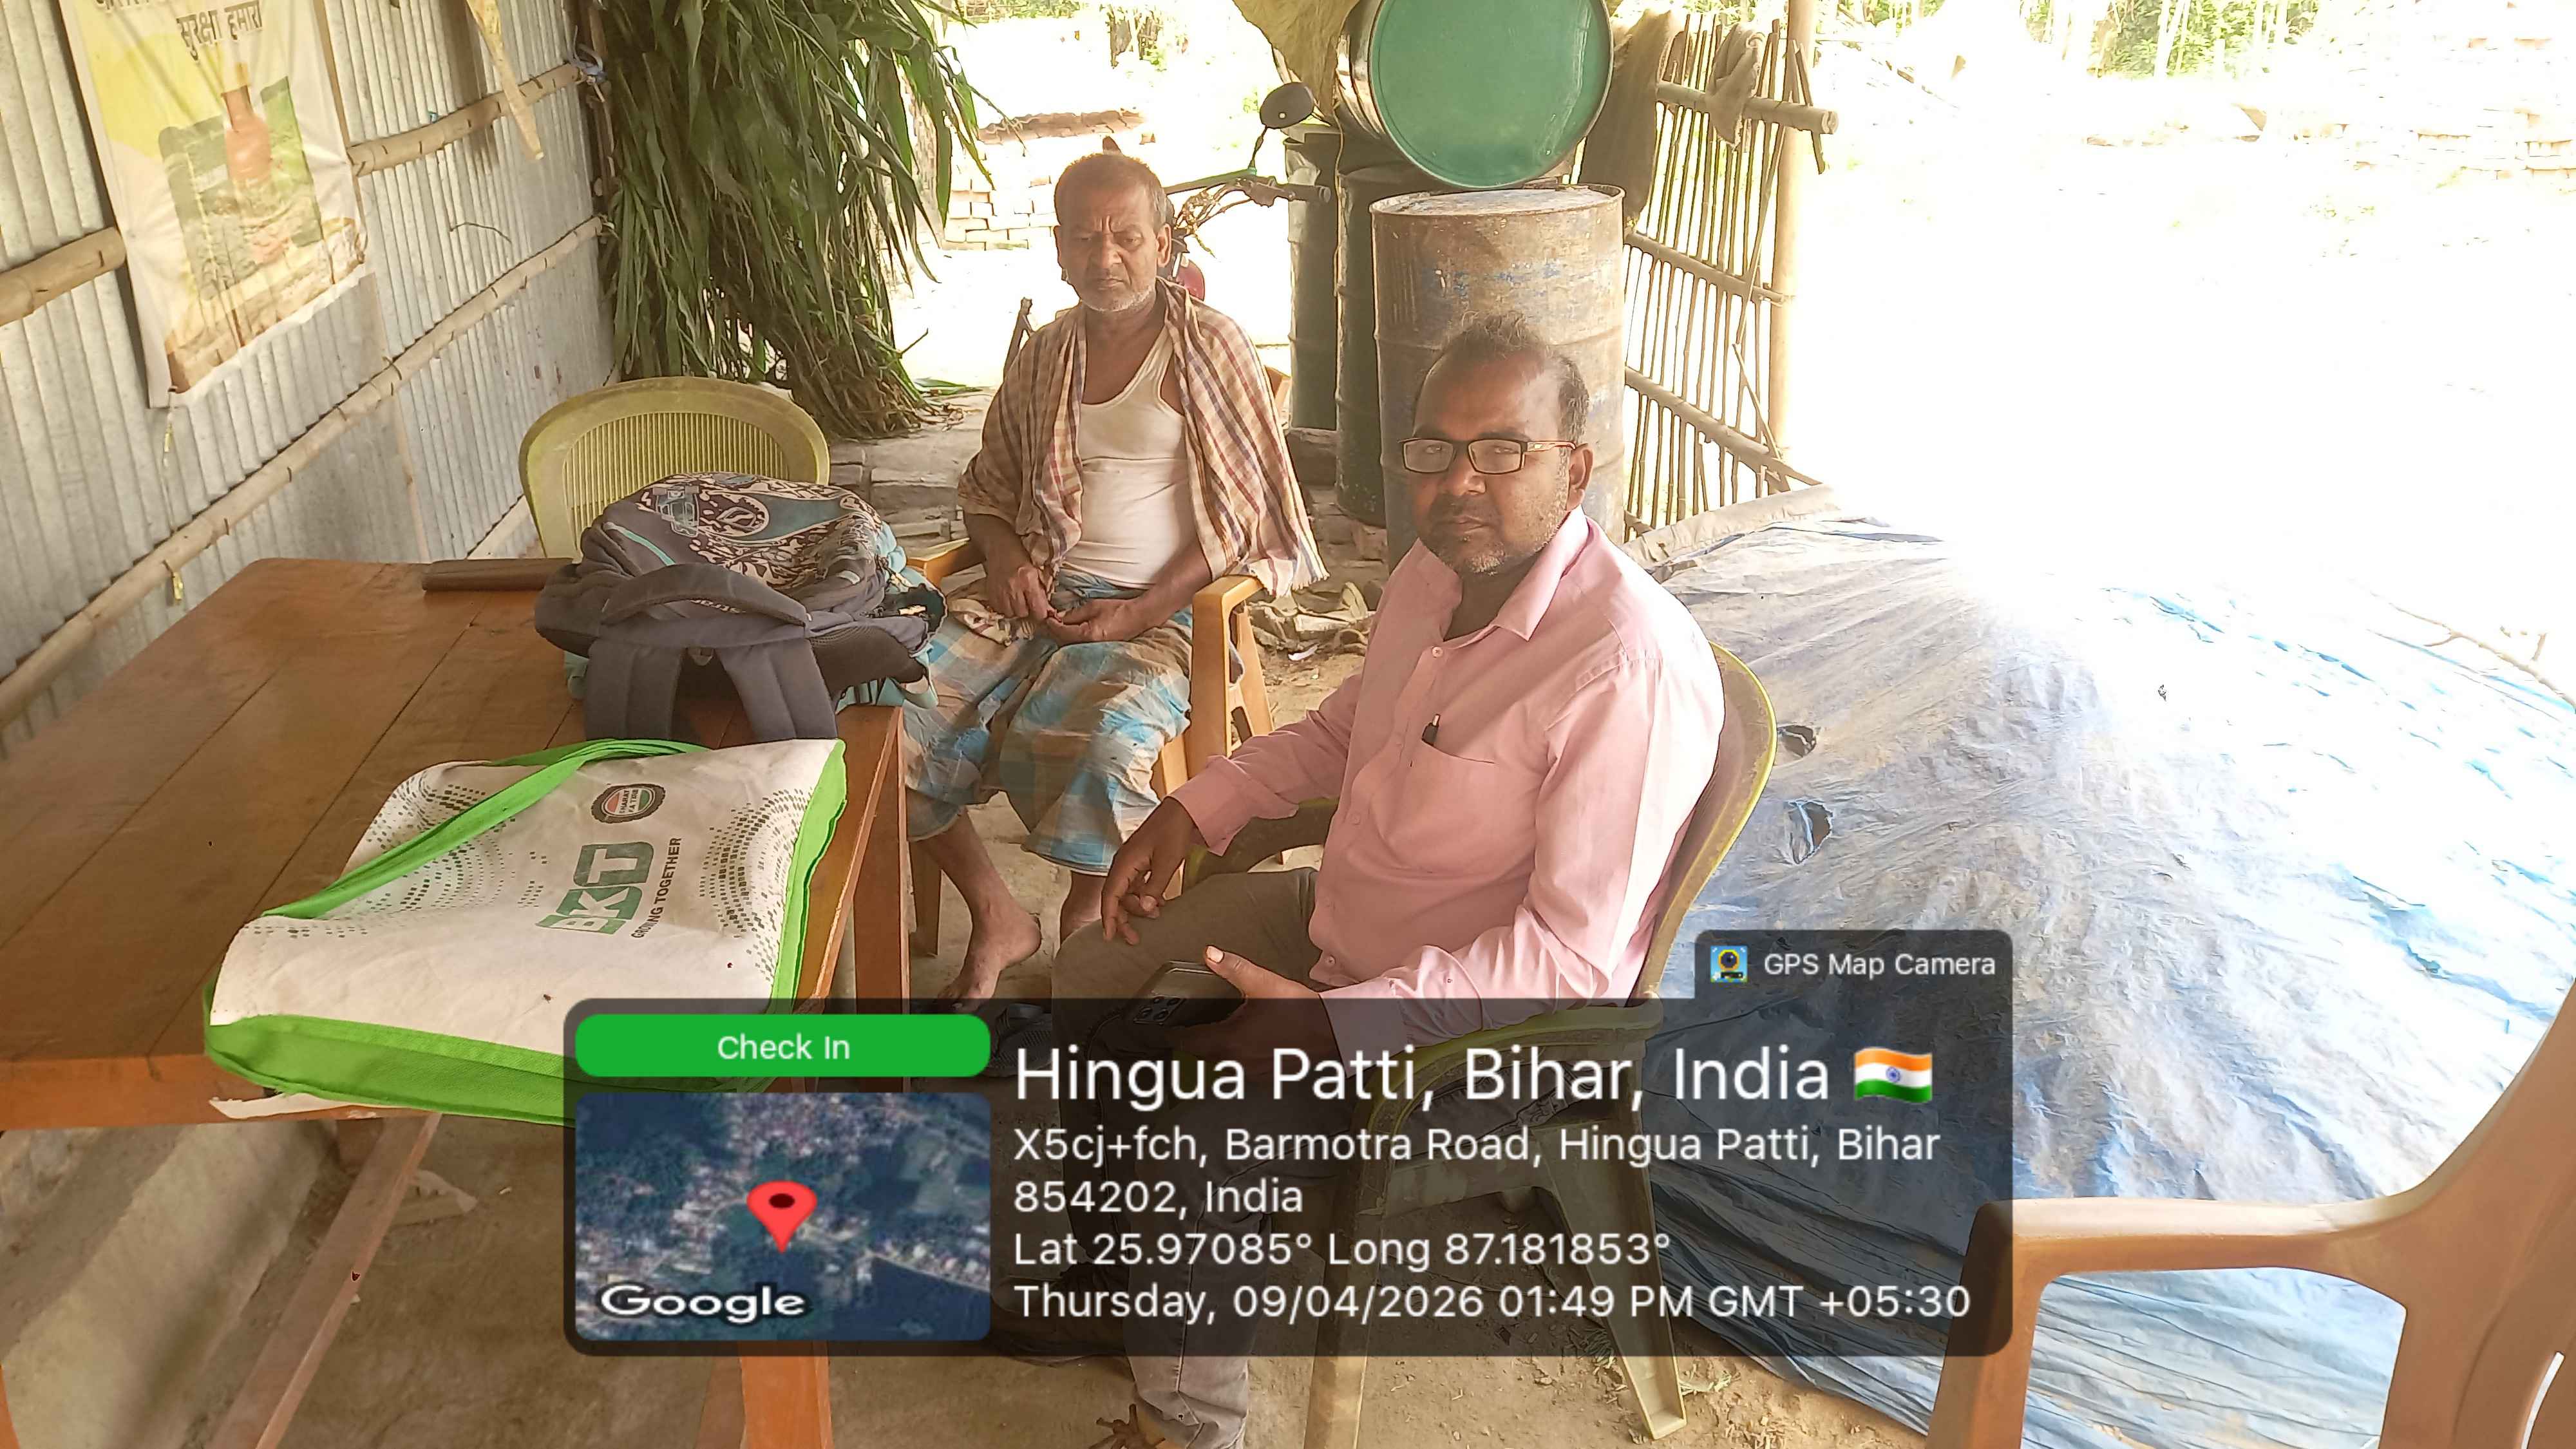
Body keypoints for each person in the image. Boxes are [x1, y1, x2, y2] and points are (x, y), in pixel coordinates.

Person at [1022, 312, 1728, 1449]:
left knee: (1200, 1115)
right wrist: (1199, 805)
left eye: (1502, 450)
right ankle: (1128, 1287)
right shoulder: (1432, 572)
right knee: (1096, 963)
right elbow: (1347, 733)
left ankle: (1187, 1425)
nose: (1460, 481)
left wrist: (1332, 1024)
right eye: (1435, 449)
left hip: (1483, 1027)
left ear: (1574, 468)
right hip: (1349, 918)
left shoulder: (1621, 664)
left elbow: (1571, 960)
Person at [905, 151, 1323, 1001]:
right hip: (1034, 599)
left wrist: (1141, 612)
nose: (1107, 258)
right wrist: (1007, 557)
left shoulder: (1208, 348)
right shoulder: (1044, 356)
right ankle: (995, 911)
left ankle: (1084, 923)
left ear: (1162, 244)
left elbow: (1246, 516)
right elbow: (987, 488)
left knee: (1102, 739)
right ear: (1059, 249)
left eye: (1127, 237)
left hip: (1160, 613)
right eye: (1086, 239)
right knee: (883, 704)